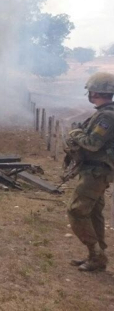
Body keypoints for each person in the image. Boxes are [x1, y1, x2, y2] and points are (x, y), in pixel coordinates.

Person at [66, 71, 114, 272]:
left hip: (95, 172)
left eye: (91, 91)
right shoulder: (104, 113)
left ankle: (95, 255)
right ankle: (97, 256)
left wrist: (75, 133)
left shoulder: (106, 116)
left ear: (95, 92)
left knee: (76, 211)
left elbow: (93, 144)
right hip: (96, 171)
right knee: (93, 213)